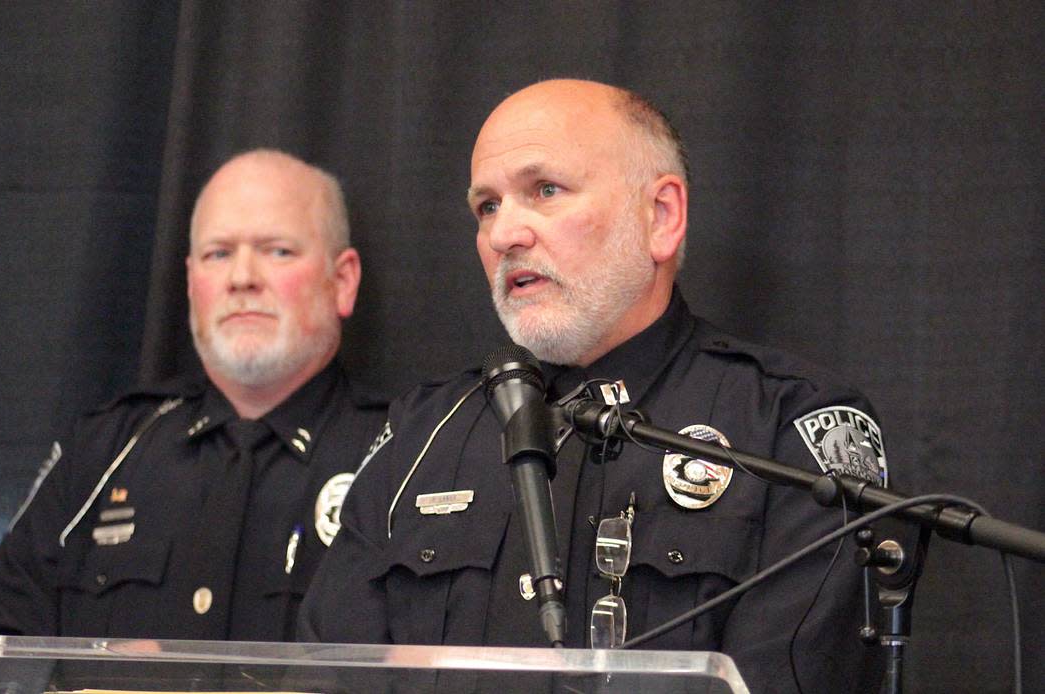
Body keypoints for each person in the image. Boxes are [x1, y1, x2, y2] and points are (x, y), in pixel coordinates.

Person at [299, 80, 888, 693]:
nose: (505, 235)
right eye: (487, 207)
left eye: (545, 191)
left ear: (661, 217)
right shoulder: (422, 432)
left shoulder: (788, 427)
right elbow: (328, 675)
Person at [0, 149, 388, 642]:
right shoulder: (102, 452)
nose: (242, 278)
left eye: (277, 250)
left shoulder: (404, 455)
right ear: (192, 284)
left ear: (342, 282)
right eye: (218, 254)